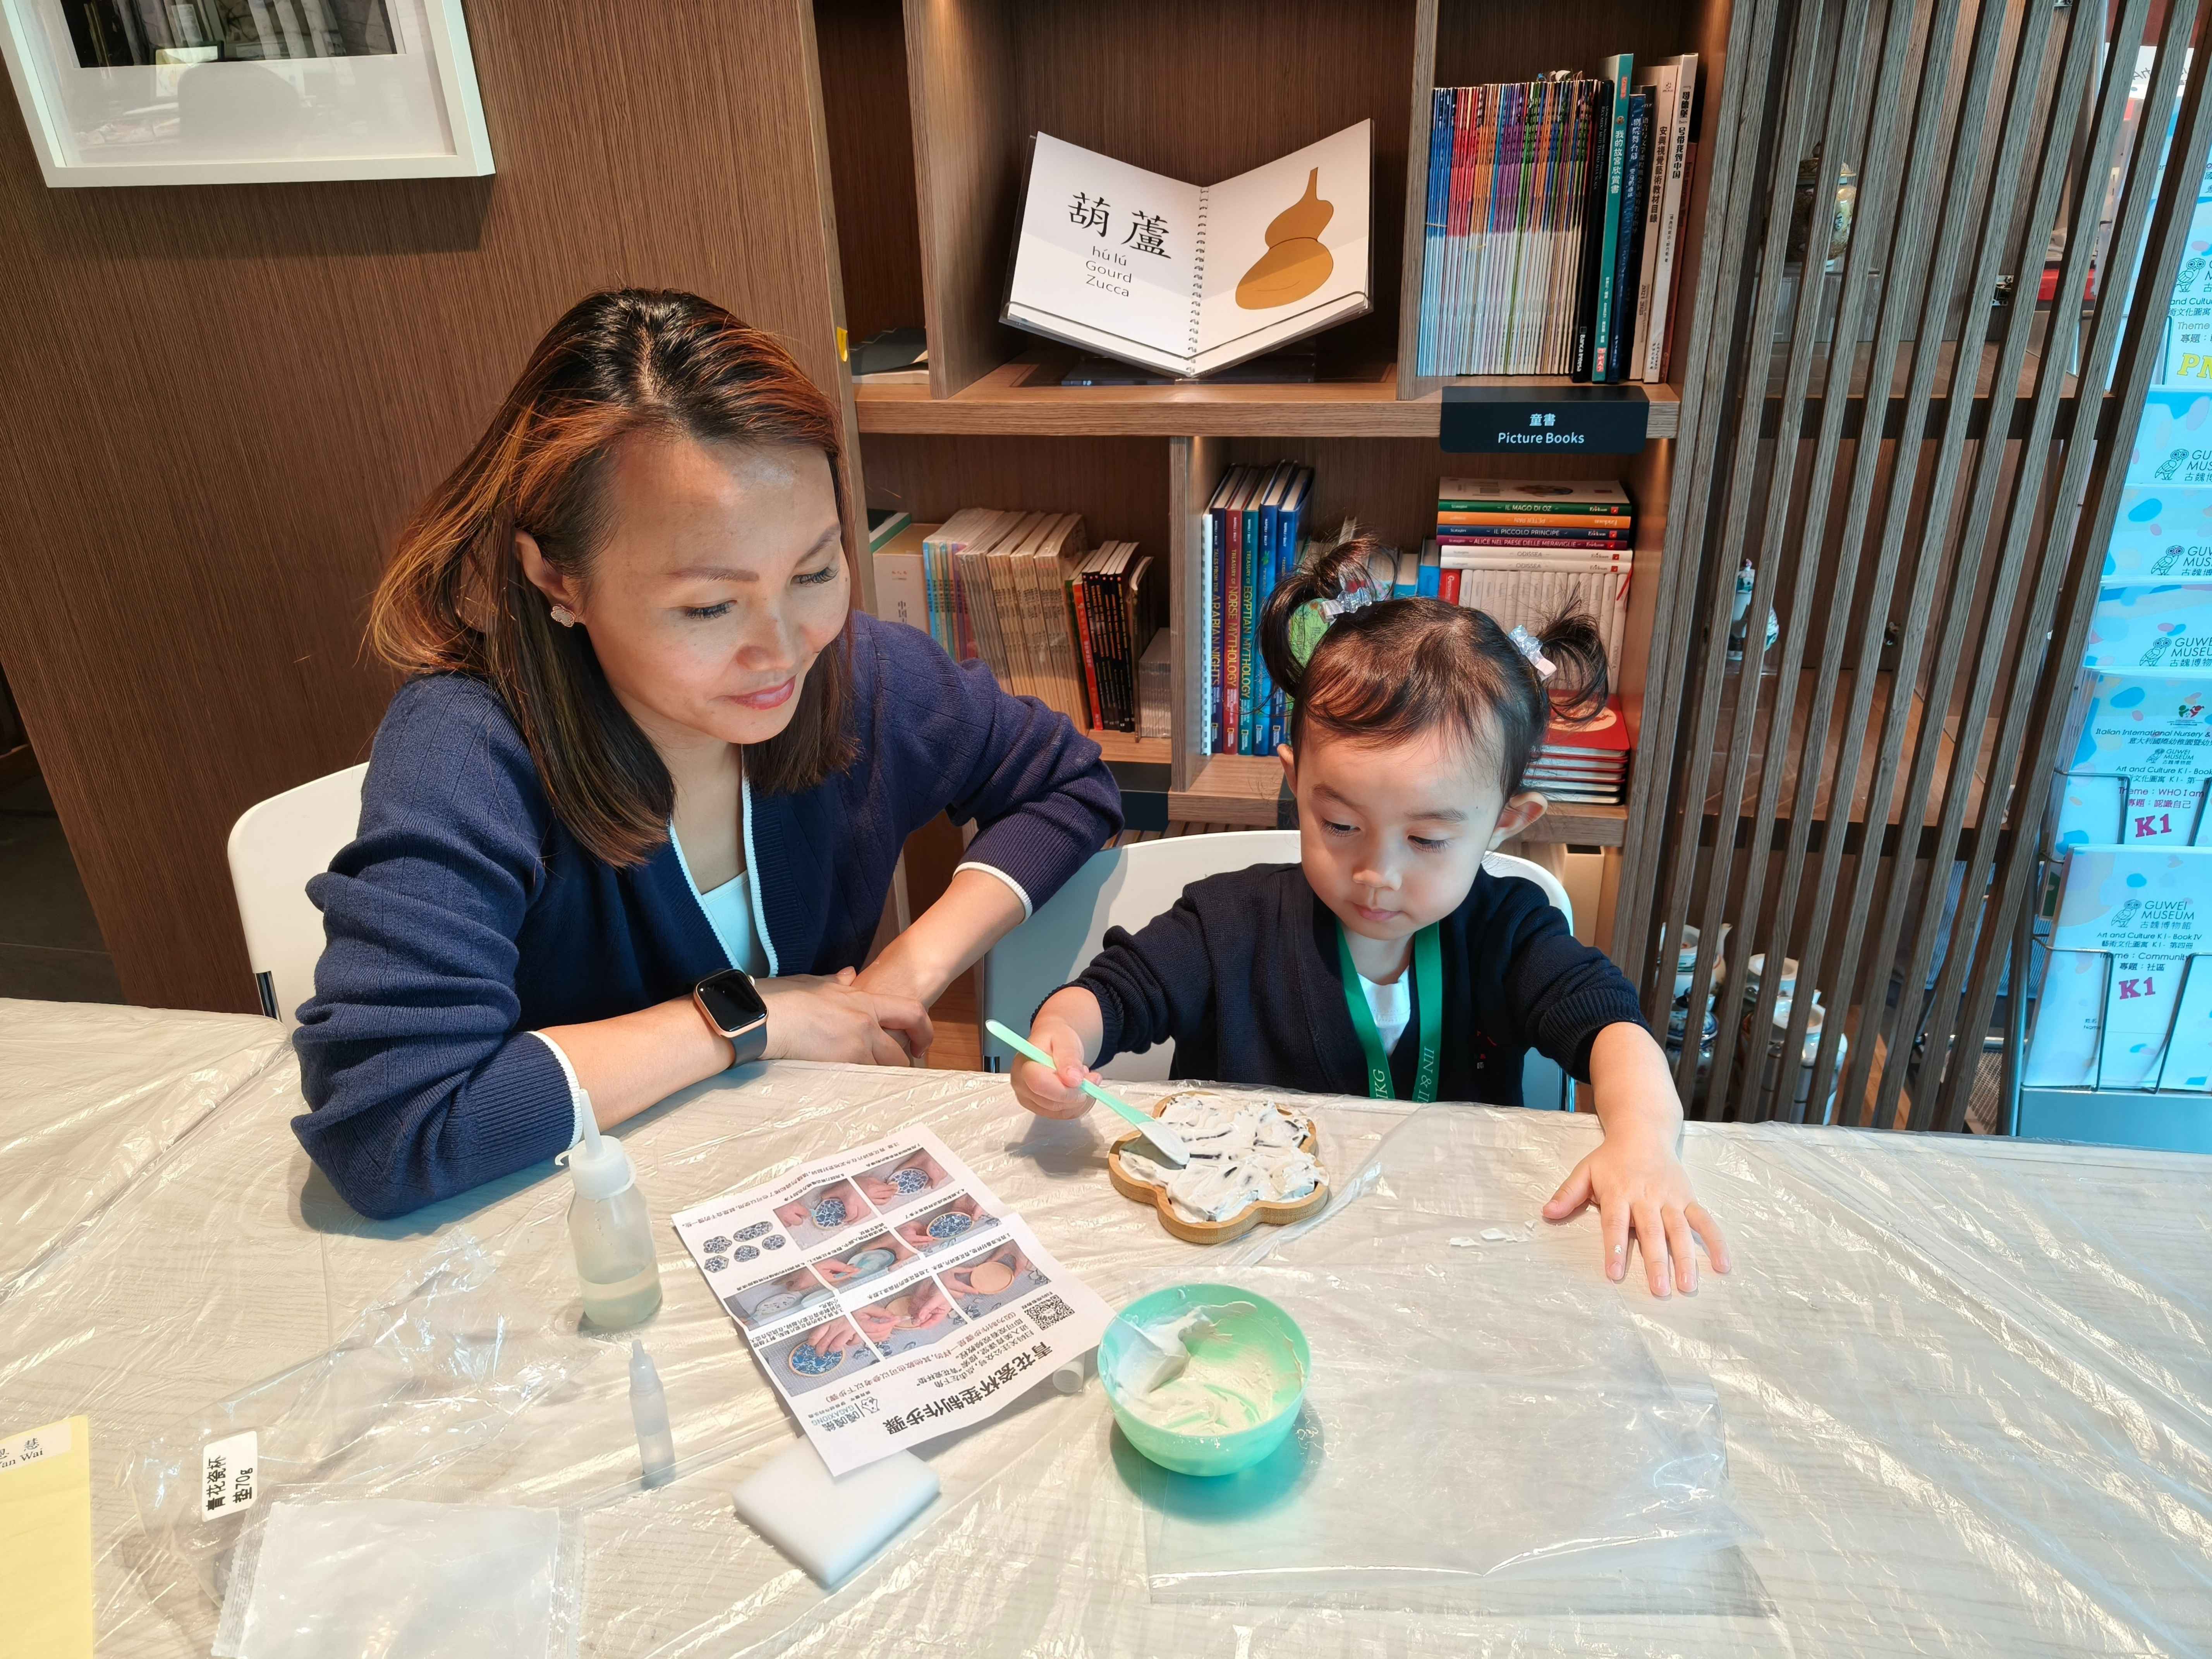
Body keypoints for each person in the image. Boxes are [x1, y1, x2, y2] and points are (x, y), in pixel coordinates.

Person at [292, 290, 1121, 1218]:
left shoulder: (861, 675)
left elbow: (1065, 784)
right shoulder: (467, 751)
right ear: (557, 577)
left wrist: (905, 975)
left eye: (815, 571)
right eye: (709, 606)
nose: (785, 648)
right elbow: (388, 1128)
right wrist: (751, 1020)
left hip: (797, 1201)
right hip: (574, 1225)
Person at [1010, 537, 1729, 1297]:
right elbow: (1115, 993)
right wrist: (1060, 1040)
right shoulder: (1227, 923)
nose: (1377, 874)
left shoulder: (1508, 932)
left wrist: (1644, 1142)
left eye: (1428, 840)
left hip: (1452, 1260)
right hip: (1253, 1268)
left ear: (1506, 823)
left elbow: (1612, 1026)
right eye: (1341, 826)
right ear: (1297, 784)